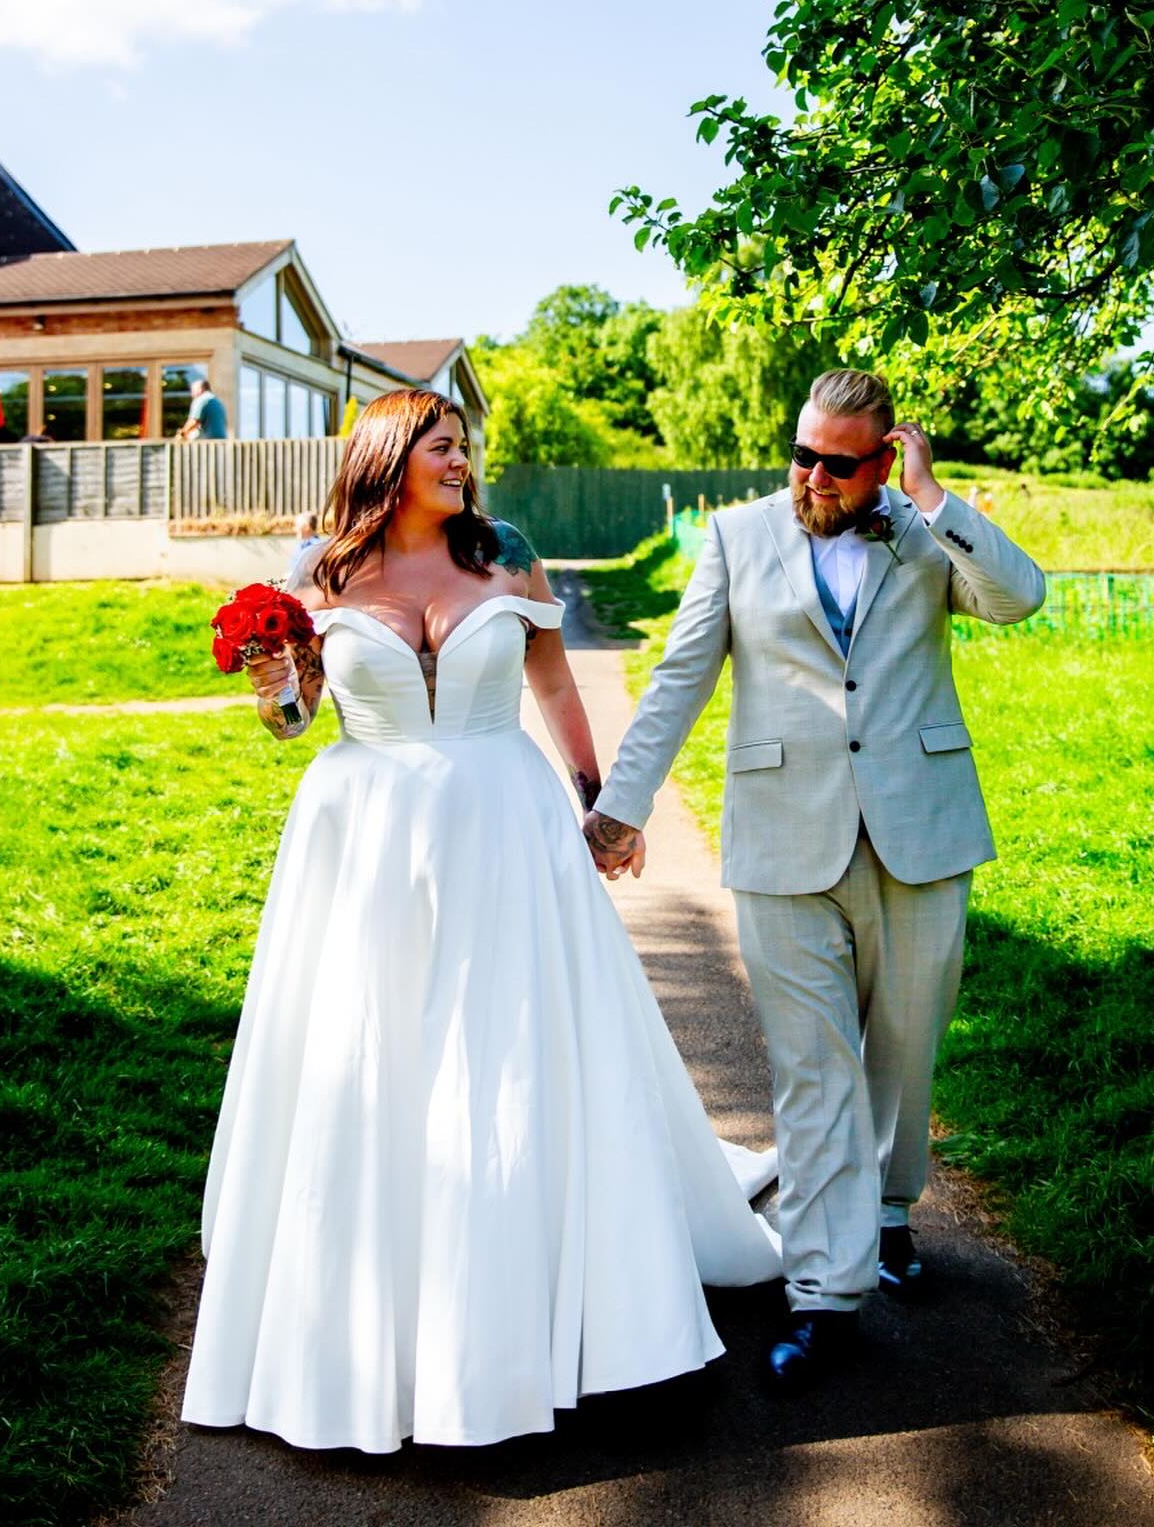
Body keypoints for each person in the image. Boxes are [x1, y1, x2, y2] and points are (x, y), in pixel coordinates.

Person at [181, 388, 780, 1455]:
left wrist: (602, 805)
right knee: (372, 1053)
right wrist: (272, 681)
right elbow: (292, 722)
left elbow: (554, 688)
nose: (460, 462)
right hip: (364, 839)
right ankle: (373, 1316)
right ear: (388, 455)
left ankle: (528, 1298)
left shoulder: (508, 555)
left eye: (463, 446)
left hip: (506, 826)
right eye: (442, 446)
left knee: (506, 1054)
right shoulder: (321, 568)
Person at [584, 369, 1045, 1393]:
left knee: (905, 1051)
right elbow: (680, 676)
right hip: (783, 837)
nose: (813, 477)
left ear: (884, 460)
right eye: (802, 455)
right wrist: (623, 804)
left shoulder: (925, 532)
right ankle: (824, 1294)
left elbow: (1020, 598)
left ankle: (887, 1212)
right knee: (812, 1067)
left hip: (922, 831)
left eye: (839, 463)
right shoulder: (736, 537)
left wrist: (933, 501)